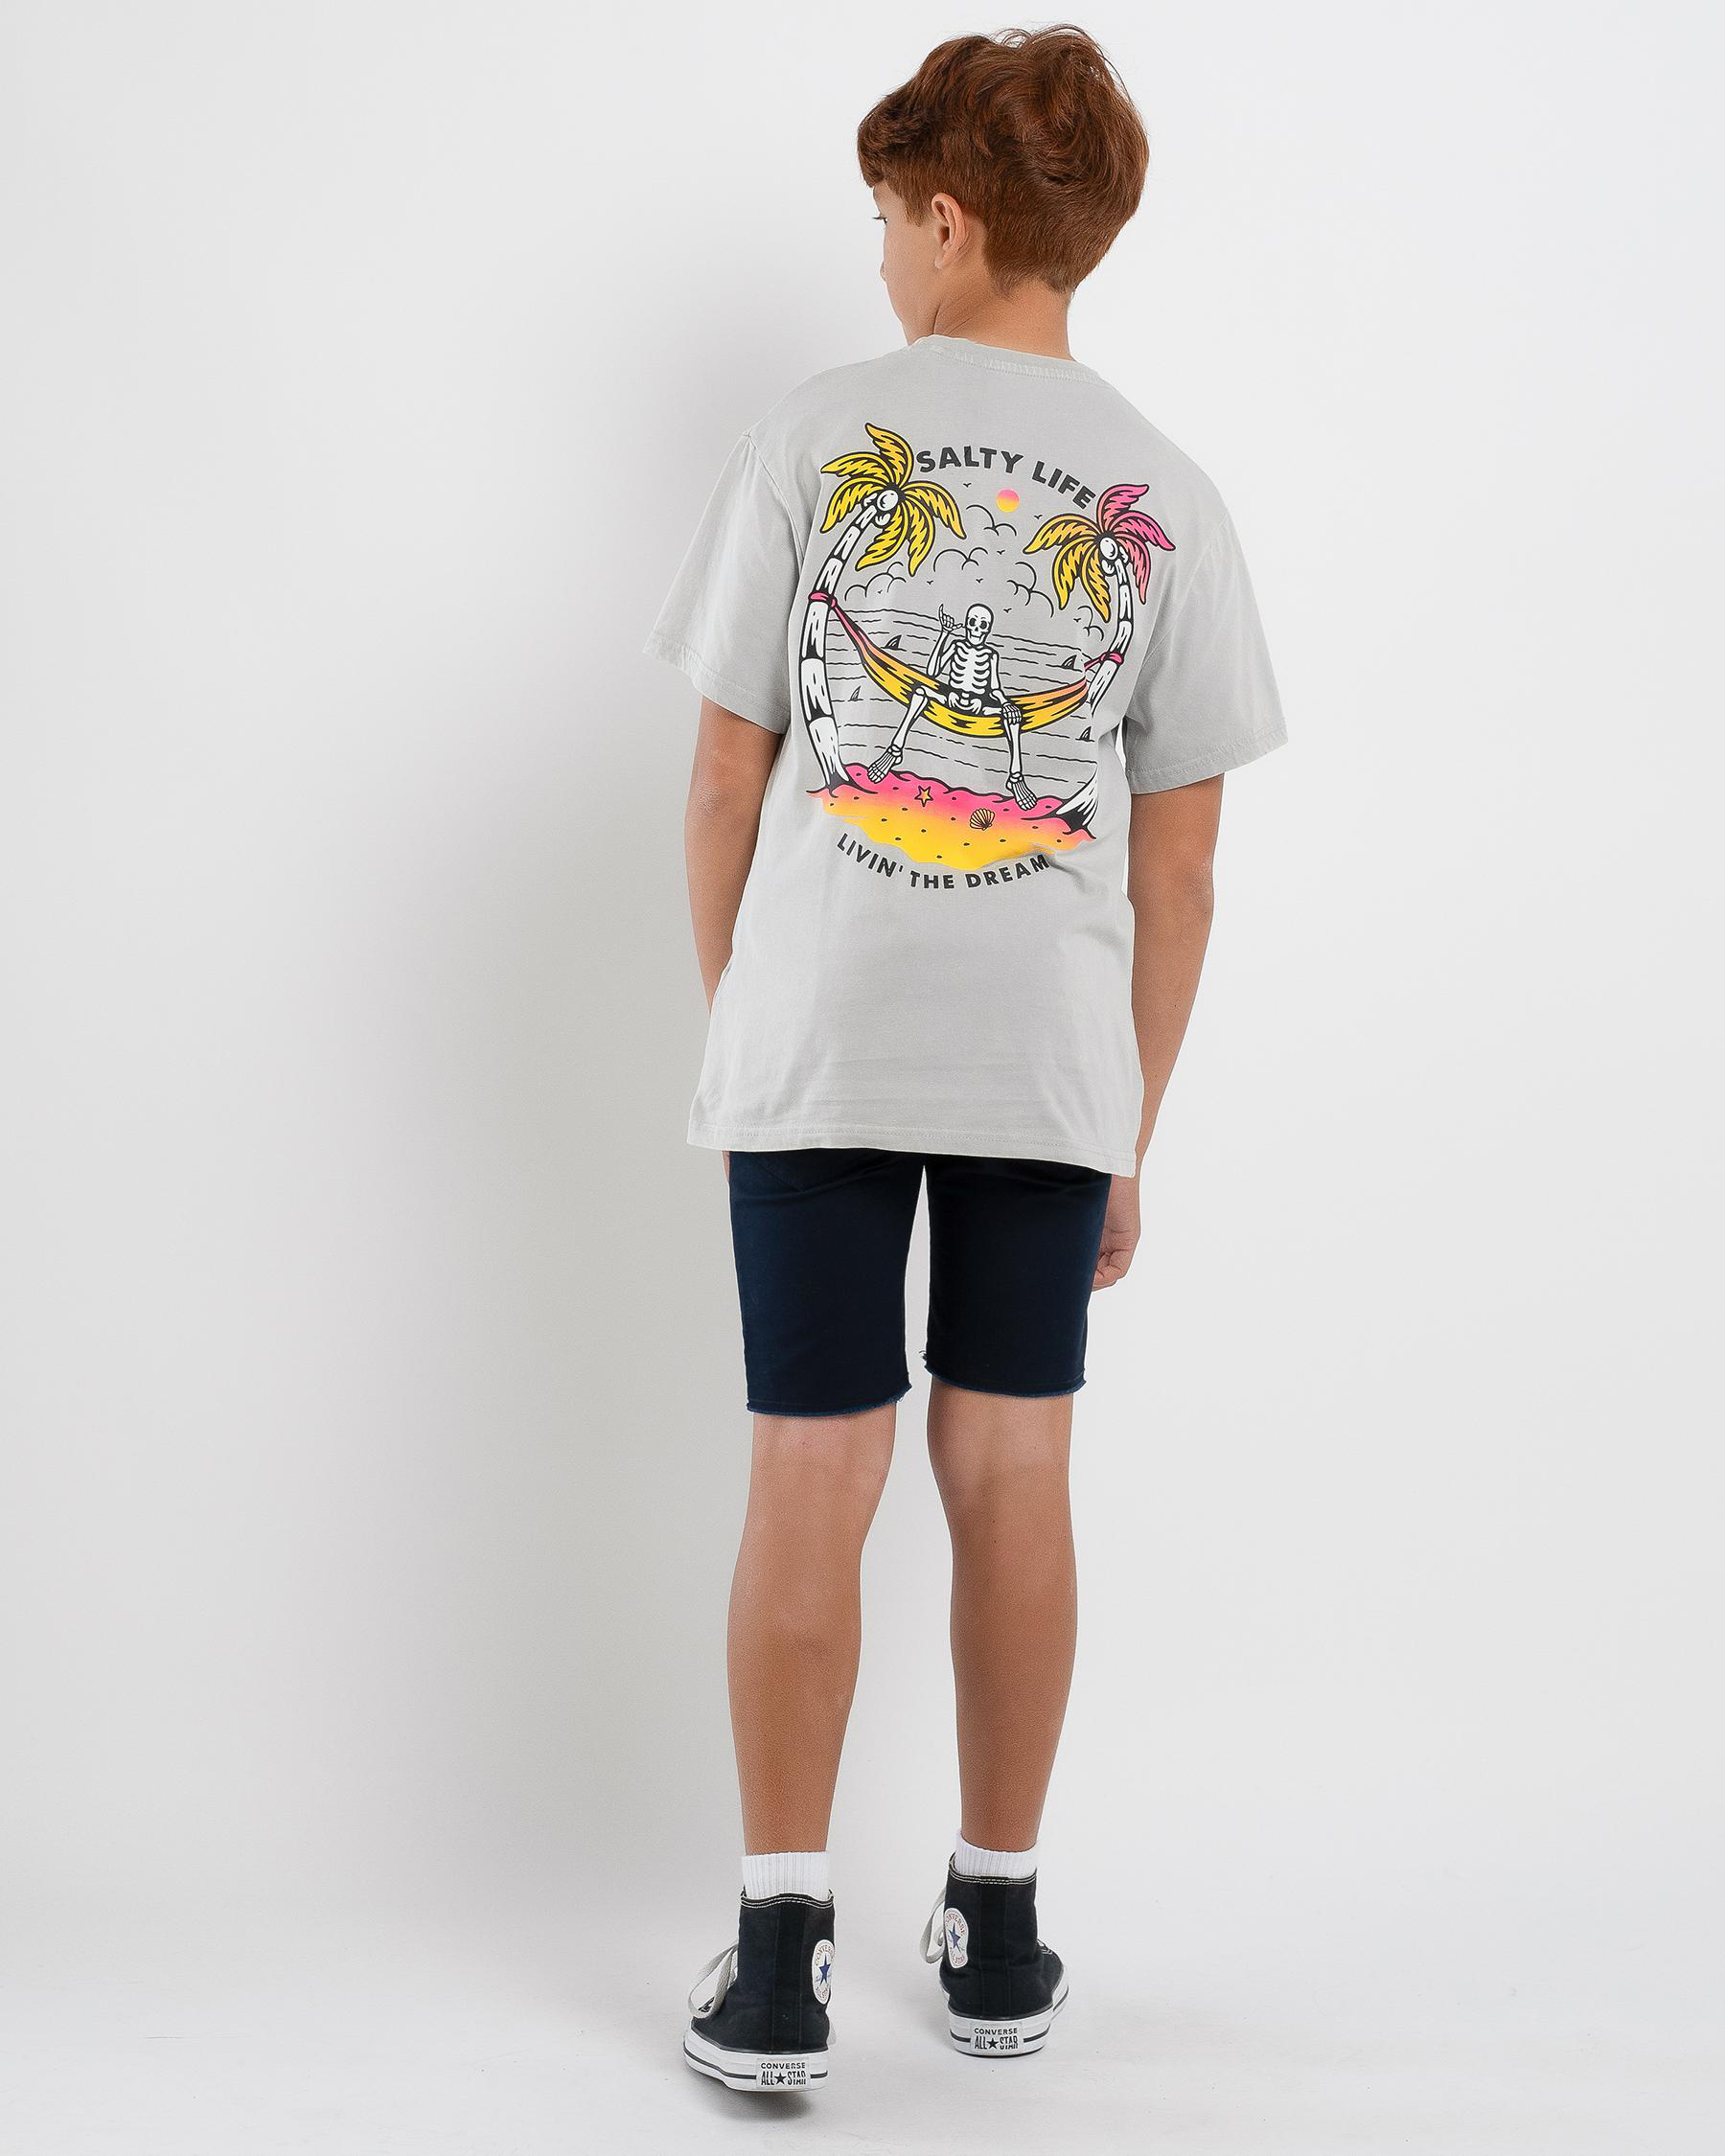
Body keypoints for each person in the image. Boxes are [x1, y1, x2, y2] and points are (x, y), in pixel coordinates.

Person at [647, 25, 1285, 2095]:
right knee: (1014, 1472)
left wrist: (749, 1018)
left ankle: (778, 1955)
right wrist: (1128, 1128)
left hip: (822, 1042)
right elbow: (1181, 876)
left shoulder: (813, 435)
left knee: (807, 1472)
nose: (876, 261)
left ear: (946, 217)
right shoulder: (1167, 495)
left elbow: (723, 782)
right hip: (1045, 1065)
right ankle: (997, 1926)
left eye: (882, 221)